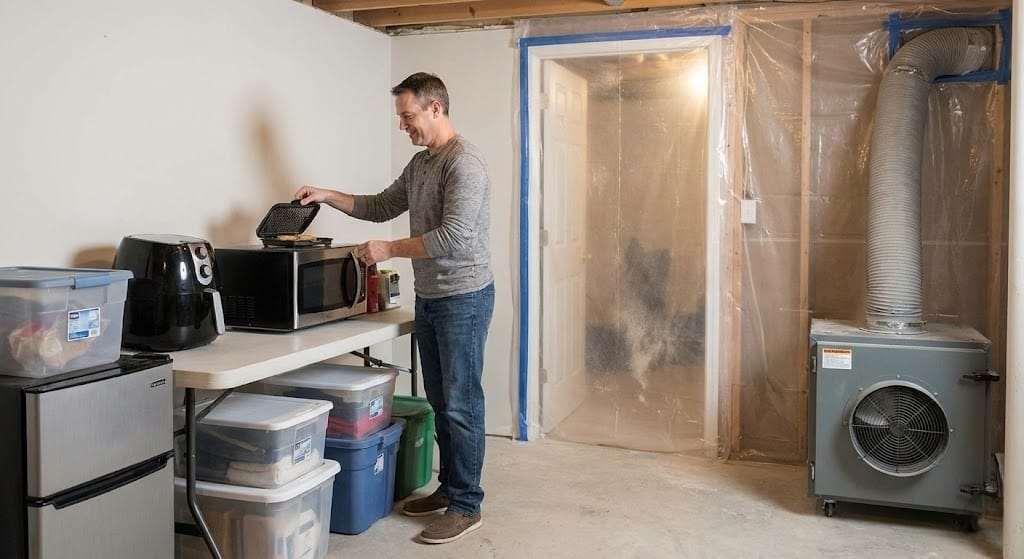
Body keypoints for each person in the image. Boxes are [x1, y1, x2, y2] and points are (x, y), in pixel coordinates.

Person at [294, 72, 494, 545]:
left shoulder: (464, 164)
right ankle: (450, 489)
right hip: (432, 298)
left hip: (464, 297)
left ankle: (468, 505)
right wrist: (327, 196)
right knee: (442, 401)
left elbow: (455, 237)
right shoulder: (421, 164)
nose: (404, 126)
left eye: (408, 117)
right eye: (401, 118)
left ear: (435, 109)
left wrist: (389, 250)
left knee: (463, 405)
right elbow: (381, 205)